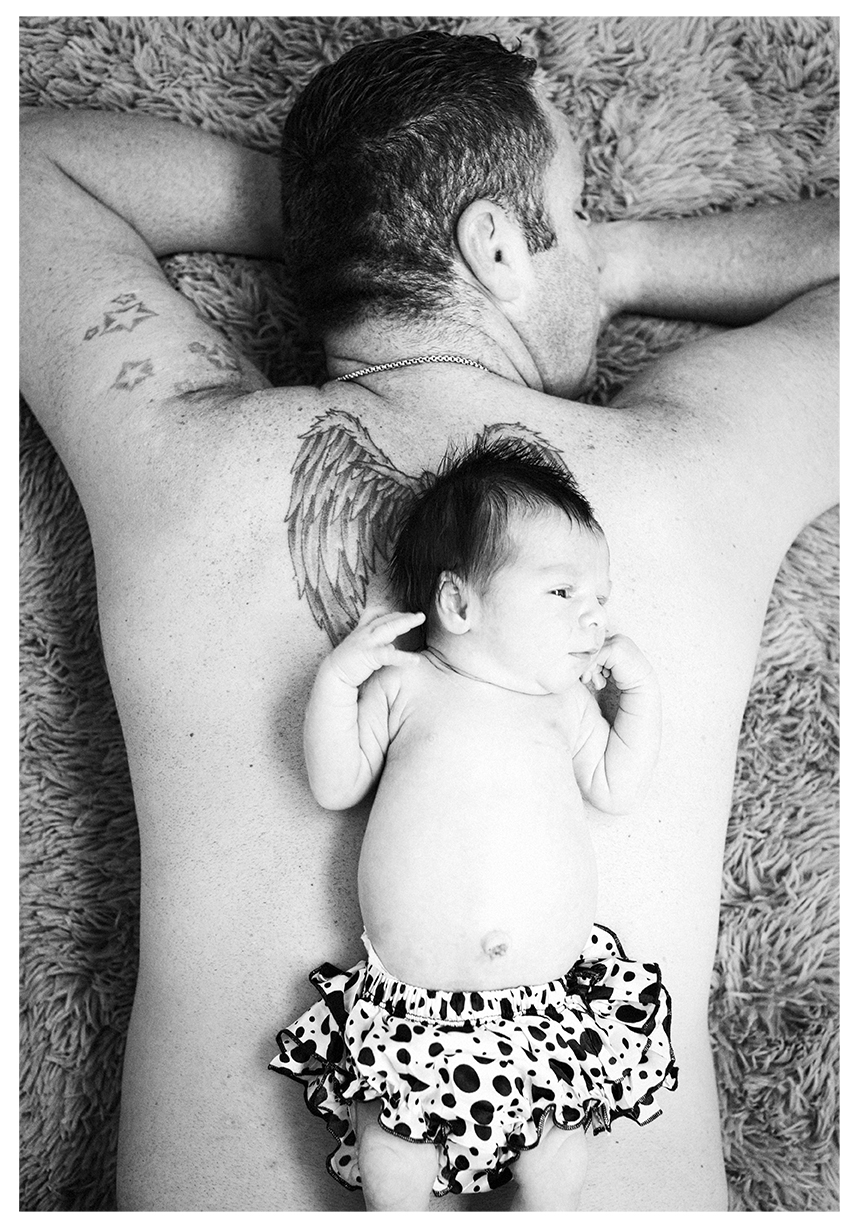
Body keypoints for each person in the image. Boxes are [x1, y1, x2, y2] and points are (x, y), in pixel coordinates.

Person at [18, 28, 837, 1213]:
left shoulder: (178, 454)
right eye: (580, 212)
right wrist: (627, 263)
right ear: (496, 242)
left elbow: (27, 165)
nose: (595, 243)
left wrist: (353, 217)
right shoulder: (694, 467)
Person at [272, 438, 669, 1210]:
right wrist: (338, 680)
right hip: (413, 1009)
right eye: (562, 592)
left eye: (601, 596)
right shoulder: (405, 684)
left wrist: (641, 697)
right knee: (392, 1153)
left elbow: (616, 787)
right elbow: (333, 784)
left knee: (557, 1160)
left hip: (548, 1009)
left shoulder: (564, 706)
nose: (593, 615)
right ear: (458, 604)